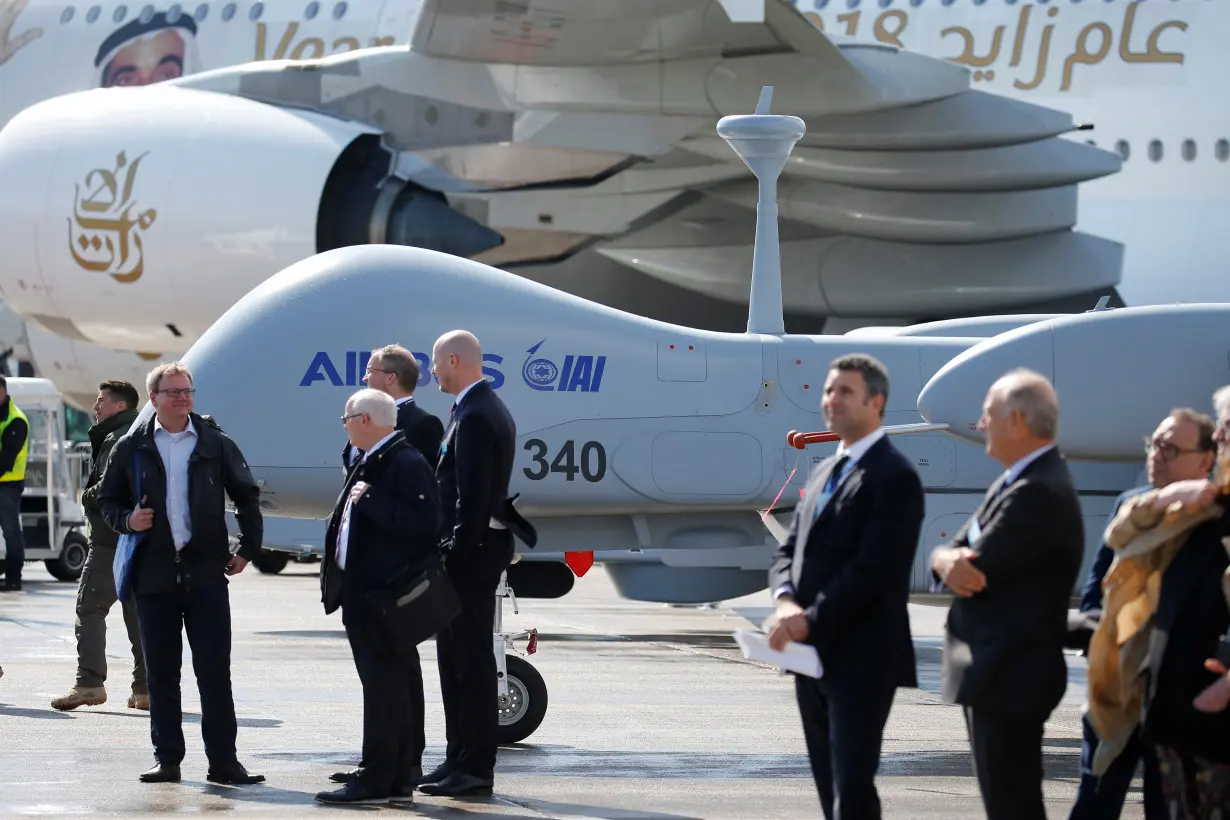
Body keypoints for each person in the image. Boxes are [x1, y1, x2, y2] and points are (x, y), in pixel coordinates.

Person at [764, 353, 925, 820]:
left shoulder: (894, 477)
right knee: (827, 787)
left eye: (845, 392)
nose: (832, 400)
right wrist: (783, 600)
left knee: (851, 791)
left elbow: (875, 570)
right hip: (811, 657)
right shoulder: (824, 472)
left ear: (877, 403)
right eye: (829, 390)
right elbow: (787, 552)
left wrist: (805, 621)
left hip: (862, 659)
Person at [96, 362, 265, 785]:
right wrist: (127, 520)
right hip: (153, 579)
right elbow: (107, 500)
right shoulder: (131, 446)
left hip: (206, 575)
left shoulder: (215, 443)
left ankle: (224, 762)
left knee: (213, 672)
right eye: (173, 392)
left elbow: (247, 496)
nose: (183, 398)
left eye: (187, 390)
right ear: (154, 398)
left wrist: (247, 548)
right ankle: (167, 759)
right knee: (161, 675)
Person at [930, 368, 1084, 820]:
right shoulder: (1017, 482)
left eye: (988, 413)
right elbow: (951, 558)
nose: (981, 423)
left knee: (1012, 807)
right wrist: (945, 559)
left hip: (1011, 674)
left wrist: (950, 560)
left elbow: (974, 566)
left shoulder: (1036, 490)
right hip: (999, 673)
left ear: (1016, 420)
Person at [1087, 386, 1230, 818]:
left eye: (1227, 431)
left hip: (1212, 715)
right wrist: (1168, 498)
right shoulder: (1206, 507)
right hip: (1169, 711)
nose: (1221, 438)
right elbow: (1122, 537)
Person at [315, 389, 442, 806]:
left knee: (384, 688)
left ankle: (377, 778)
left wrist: (371, 501)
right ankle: (393, 772)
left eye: (346, 419)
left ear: (366, 420)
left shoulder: (404, 462)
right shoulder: (375, 459)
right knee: (386, 686)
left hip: (382, 595)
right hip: (364, 593)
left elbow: (424, 525)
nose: (345, 426)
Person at [419, 330, 518, 798]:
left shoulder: (477, 414)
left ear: (454, 360)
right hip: (470, 554)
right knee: (456, 658)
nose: (432, 370)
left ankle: (475, 766)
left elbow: (473, 499)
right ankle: (458, 756)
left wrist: (454, 554)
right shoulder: (472, 407)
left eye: (436, 363)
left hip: (470, 558)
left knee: (470, 663)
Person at [51, 380, 149, 712]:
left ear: (120, 406)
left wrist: (85, 496)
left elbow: (107, 490)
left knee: (90, 609)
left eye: (101, 401)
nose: (95, 407)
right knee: (137, 615)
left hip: (109, 541)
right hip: (139, 540)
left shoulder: (115, 440)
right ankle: (146, 689)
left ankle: (89, 683)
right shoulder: (140, 433)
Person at [0, 374, 28, 592]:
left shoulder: (15, 419)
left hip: (8, 484)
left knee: (10, 532)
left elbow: (7, 458)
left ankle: (13, 578)